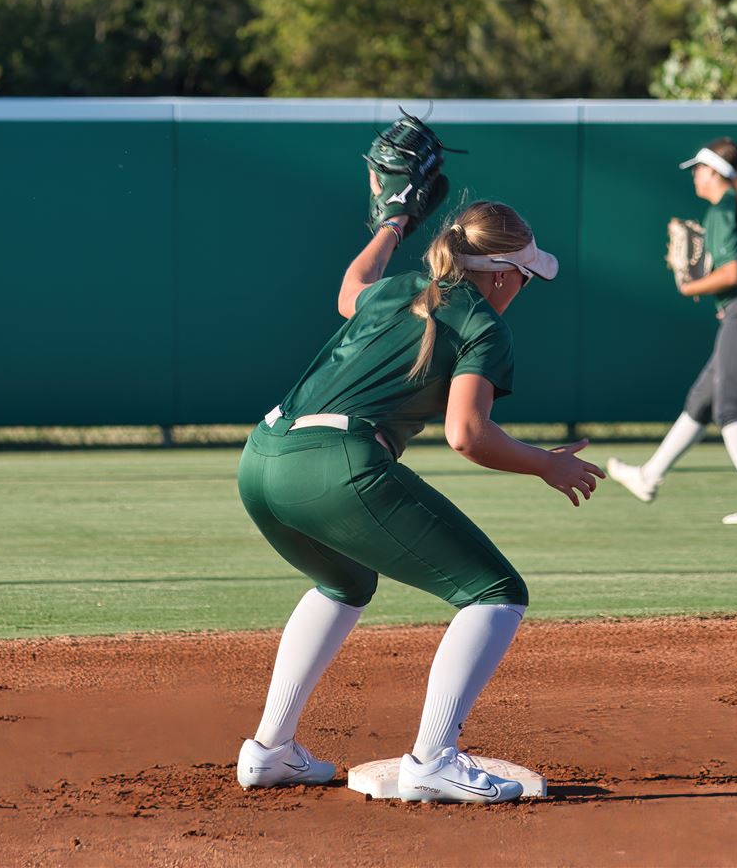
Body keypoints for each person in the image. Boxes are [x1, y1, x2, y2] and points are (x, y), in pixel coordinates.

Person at [235, 199, 602, 804]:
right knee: (496, 592)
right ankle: (433, 758)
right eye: (528, 277)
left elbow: (351, 287)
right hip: (337, 464)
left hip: (261, 460)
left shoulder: (401, 289)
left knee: (345, 582)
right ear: (505, 274)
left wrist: (391, 222)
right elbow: (468, 434)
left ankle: (269, 751)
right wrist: (547, 464)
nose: (524, 288)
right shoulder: (484, 324)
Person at [606, 139, 737, 524]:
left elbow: (734, 273)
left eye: (698, 168)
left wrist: (690, 286)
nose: (694, 174)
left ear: (714, 173)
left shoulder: (722, 211)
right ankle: (649, 476)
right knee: (700, 401)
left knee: (729, 409)